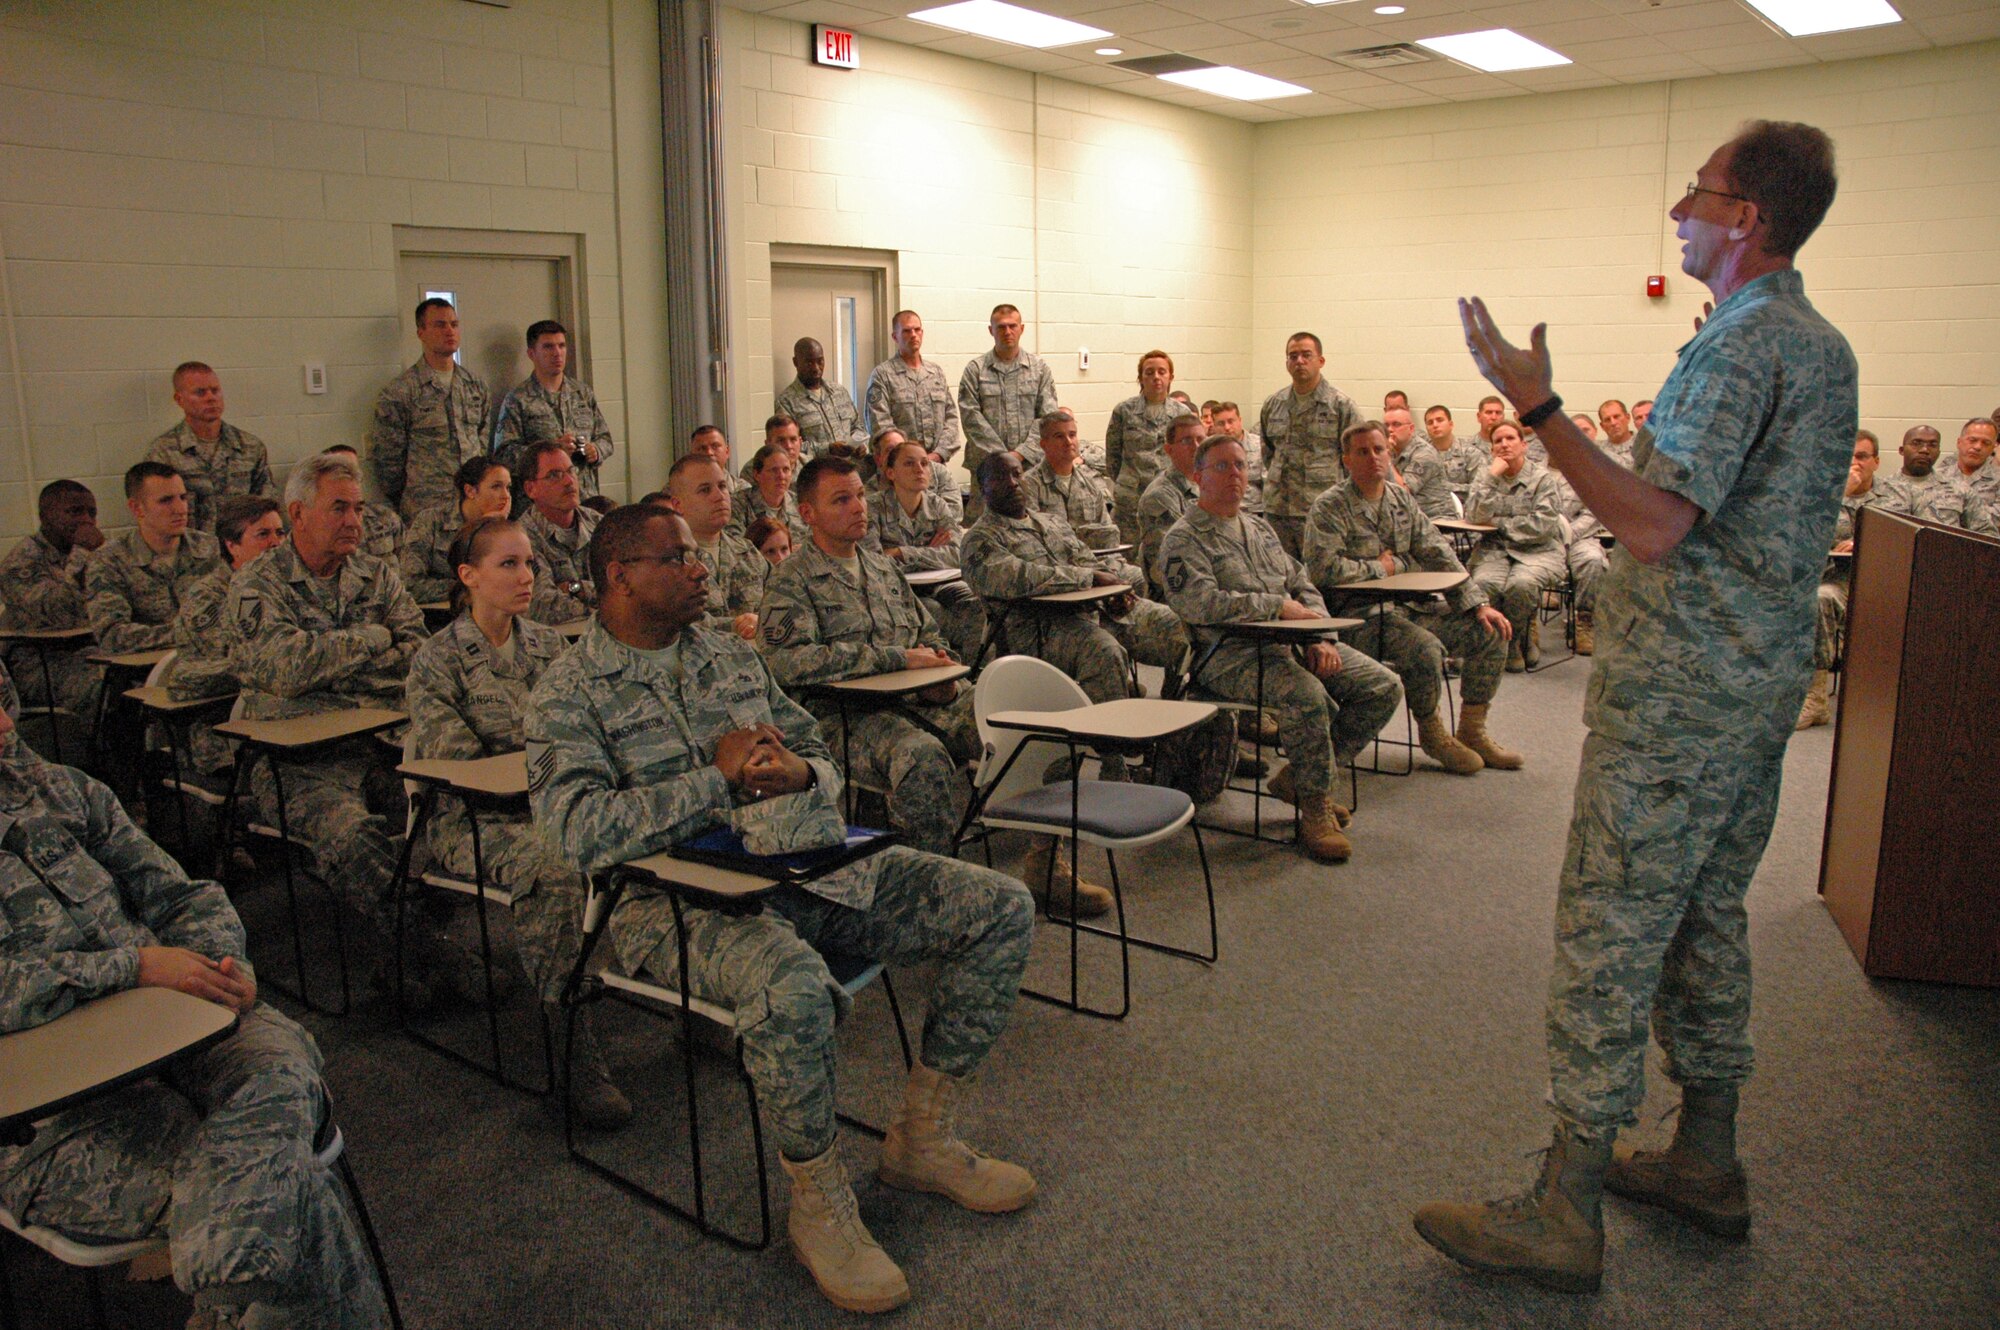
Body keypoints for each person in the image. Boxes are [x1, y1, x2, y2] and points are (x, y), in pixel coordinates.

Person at [1414, 120, 1859, 1295]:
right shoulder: (1815, 344)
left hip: (1679, 700)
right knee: (1706, 914)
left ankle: (1562, 1205)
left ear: (1744, 217)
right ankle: (1704, 1156)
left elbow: (1653, 524)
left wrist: (1541, 407)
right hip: (1748, 688)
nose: (1678, 207)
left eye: (1696, 190)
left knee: (1607, 928)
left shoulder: (1740, 346)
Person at [527, 504, 1037, 1314]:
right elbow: (571, 832)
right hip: (673, 904)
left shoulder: (730, 655)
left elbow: (819, 750)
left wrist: (801, 776)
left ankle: (921, 1138)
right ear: (620, 576)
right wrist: (715, 781)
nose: (702, 570)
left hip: (806, 865)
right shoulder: (567, 691)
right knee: (791, 985)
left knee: (998, 906)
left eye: (698, 557)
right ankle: (819, 1201)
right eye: (678, 558)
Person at [0, 704, 393, 1328]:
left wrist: (221, 966)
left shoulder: (60, 790)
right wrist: (134, 967)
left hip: (189, 1030)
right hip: (55, 1115)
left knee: (279, 1064)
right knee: (289, 1194)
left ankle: (228, 1291)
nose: (2, 721)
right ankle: (233, 1296)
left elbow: (182, 895)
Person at [402, 516, 631, 1128]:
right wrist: (552, 758)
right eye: (508, 564)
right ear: (468, 576)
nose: (526, 575)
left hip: (554, 802)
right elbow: (462, 763)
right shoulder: (436, 660)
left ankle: (693, 1000)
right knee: (555, 872)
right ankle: (572, 1042)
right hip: (472, 819)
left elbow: (594, 729)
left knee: (656, 834)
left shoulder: (551, 646)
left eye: (530, 562)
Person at [228, 452, 478, 1008]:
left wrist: (343, 659)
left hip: (381, 746)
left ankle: (412, 959)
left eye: (359, 508)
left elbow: (420, 651)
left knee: (446, 817)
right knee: (356, 840)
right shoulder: (256, 586)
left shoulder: (375, 573)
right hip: (297, 766)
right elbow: (282, 669)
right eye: (338, 508)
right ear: (298, 513)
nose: (354, 522)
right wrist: (371, 641)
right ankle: (436, 957)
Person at [1159, 435, 1402, 862]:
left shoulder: (1259, 527)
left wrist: (1321, 636)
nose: (1235, 475)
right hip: (1228, 654)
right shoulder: (1183, 538)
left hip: (1291, 644)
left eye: (1240, 465)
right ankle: (1314, 809)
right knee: (1306, 697)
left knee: (1382, 686)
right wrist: (1278, 608)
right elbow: (1200, 602)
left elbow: (1302, 583)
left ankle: (1303, 777)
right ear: (1198, 476)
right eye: (1221, 467)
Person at [1303, 423, 1518, 776]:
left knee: (1491, 632)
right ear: (1346, 461)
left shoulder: (1400, 498)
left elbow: (1435, 550)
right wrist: (1382, 567)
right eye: (1362, 452)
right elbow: (1324, 570)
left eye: (1378, 450)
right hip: (1357, 617)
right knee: (1424, 648)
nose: (1373, 458)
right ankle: (1432, 733)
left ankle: (1472, 730)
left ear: (1389, 455)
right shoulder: (1330, 506)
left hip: (1408, 607)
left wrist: (1477, 603)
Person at [963, 451, 1188, 705]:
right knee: (1104, 651)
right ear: (982, 488)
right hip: (1038, 630)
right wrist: (1090, 579)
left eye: (1017, 474)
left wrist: (1114, 592)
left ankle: (1182, 722)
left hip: (1095, 611)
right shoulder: (980, 539)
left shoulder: (1052, 523)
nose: (1013, 482)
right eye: (1000, 477)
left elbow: (1087, 560)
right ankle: (1109, 738)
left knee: (1179, 626)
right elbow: (1019, 578)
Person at [169, 494, 285, 782]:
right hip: (220, 722)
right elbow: (242, 657)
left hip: (277, 712)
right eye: (263, 534)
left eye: (280, 532)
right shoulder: (207, 595)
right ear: (232, 545)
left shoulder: (284, 588)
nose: (276, 543)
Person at [370, 297, 492, 522]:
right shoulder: (401, 392)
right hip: (427, 509)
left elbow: (482, 442)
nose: (449, 331)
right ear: (421, 332)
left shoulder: (475, 386)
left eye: (454, 325)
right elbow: (389, 462)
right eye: (440, 325)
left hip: (473, 503)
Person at [864, 439, 986, 662]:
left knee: (977, 605)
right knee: (932, 612)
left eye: (924, 463)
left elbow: (957, 553)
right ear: (890, 473)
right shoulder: (873, 507)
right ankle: (942, 669)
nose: (920, 469)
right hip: (896, 588)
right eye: (909, 464)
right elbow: (876, 561)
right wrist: (930, 553)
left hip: (941, 582)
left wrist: (902, 552)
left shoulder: (937, 504)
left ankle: (971, 670)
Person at [84, 462, 225, 653]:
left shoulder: (210, 549)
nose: (180, 509)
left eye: (183, 498)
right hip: (145, 670)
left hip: (211, 661)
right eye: (166, 500)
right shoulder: (110, 561)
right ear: (136, 508)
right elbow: (112, 636)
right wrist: (189, 633)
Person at [1462, 421, 1566, 670]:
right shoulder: (1487, 476)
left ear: (1524, 445)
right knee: (1486, 584)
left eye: (1510, 438)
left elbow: (1542, 525)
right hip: (1494, 550)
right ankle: (1503, 645)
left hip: (1538, 551)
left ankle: (1516, 639)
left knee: (1521, 585)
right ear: (1491, 449)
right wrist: (1491, 478)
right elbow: (1474, 516)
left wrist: (1498, 524)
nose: (1504, 444)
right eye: (1498, 441)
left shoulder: (1542, 480)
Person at [0, 480, 105, 723]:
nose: (86, 521)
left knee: (149, 678)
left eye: (92, 513)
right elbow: (59, 613)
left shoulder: (91, 553)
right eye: (75, 512)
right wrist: (84, 555)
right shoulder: (21, 563)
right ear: (45, 516)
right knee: (105, 688)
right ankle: (107, 759)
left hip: (94, 652)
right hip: (41, 665)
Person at [1798, 430, 1879, 729]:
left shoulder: (1898, 496)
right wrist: (1840, 493)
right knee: (1818, 597)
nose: (1855, 463)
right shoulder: (1823, 498)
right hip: (1837, 581)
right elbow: (1806, 539)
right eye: (1848, 456)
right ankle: (1816, 700)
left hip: (1886, 583)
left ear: (1877, 462)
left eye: (1862, 456)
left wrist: (1868, 541)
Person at [1258, 332, 1364, 558]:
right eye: (1292, 356)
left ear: (1321, 361)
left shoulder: (1340, 405)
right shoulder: (1273, 404)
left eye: (1306, 355)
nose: (1299, 361)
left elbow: (1356, 460)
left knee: (1321, 578)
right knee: (1279, 577)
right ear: (1286, 362)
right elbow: (1269, 453)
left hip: (1321, 509)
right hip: (1278, 510)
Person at [143, 361, 275, 534]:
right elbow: (156, 514)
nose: (211, 398)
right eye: (200, 392)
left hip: (242, 550)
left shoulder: (249, 447)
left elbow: (267, 506)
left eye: (215, 391)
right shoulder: (164, 452)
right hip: (190, 554)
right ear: (179, 399)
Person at [491, 319, 614, 498]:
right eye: (548, 347)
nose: (557, 353)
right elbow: (503, 455)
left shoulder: (582, 393)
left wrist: (595, 450)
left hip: (584, 497)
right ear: (532, 353)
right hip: (541, 502)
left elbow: (606, 440)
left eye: (562, 346)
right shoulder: (518, 399)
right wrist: (551, 450)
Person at [664, 454, 765, 640]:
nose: (719, 496)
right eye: (705, 490)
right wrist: (734, 625)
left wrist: (762, 620)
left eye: (722, 486)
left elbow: (784, 600)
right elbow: (669, 620)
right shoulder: (666, 560)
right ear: (678, 505)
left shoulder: (748, 552)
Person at [958, 303, 1059, 484]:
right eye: (1001, 327)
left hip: (1031, 466)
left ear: (1021, 329)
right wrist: (1004, 458)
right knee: (985, 513)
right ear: (991, 330)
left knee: (1030, 512)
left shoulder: (1039, 369)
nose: (1007, 331)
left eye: (1012, 326)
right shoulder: (976, 370)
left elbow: (1048, 418)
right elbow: (971, 419)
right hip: (988, 468)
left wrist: (1021, 453)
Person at [401, 455, 515, 604]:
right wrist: (470, 587)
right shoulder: (432, 521)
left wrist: (497, 528)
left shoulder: (507, 528)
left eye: (508, 488)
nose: (506, 496)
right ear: (470, 491)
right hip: (440, 615)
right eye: (496, 487)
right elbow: (410, 584)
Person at [1104, 350, 1191, 542]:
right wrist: (1127, 482)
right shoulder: (1124, 411)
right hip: (1130, 501)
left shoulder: (1182, 415)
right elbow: (1112, 457)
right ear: (1140, 378)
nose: (1156, 377)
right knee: (1129, 558)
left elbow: (1190, 457)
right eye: (1149, 372)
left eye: (1162, 372)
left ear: (1171, 377)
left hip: (1169, 500)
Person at [863, 310, 962, 473]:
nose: (913, 335)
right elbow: (880, 426)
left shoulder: (935, 373)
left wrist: (937, 455)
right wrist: (911, 458)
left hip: (937, 467)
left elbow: (951, 418)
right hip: (900, 470)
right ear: (895, 337)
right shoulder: (882, 375)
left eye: (917, 330)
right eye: (907, 331)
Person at [519, 439, 601, 623]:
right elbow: (543, 605)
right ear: (531, 489)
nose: (569, 481)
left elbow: (627, 586)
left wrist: (577, 588)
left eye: (571, 471)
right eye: (554, 475)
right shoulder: (521, 537)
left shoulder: (599, 523)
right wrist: (604, 611)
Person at [1871, 423, 1998, 533]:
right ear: (1902, 450)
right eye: (1916, 443)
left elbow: (1986, 533)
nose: (1924, 450)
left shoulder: (1959, 490)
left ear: (1939, 452)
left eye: (1932, 445)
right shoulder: (1880, 489)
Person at [1019, 409, 1119, 549]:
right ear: (1044, 445)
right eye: (1059, 436)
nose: (1068, 442)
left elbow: (1106, 534)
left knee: (1133, 572)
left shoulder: (1090, 485)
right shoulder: (1029, 485)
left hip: (1093, 561)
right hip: (1053, 564)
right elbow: (1030, 540)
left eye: (1072, 435)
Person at [1135, 414, 1204, 595]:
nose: (1196, 447)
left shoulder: (1209, 485)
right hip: (1177, 593)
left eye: (1200, 439)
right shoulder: (1159, 496)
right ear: (1169, 450)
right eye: (1187, 441)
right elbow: (1174, 559)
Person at [775, 337, 869, 459]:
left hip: (851, 469)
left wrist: (861, 445)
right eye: (809, 362)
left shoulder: (839, 392)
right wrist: (828, 449)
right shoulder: (786, 402)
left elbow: (857, 426)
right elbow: (789, 446)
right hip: (819, 472)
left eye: (820, 361)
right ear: (796, 362)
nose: (816, 368)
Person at [321, 444, 403, 560]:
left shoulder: (385, 517)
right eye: (343, 472)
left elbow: (408, 564)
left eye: (355, 472)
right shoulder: (321, 527)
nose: (351, 478)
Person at [733, 442, 811, 547]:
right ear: (757, 475)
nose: (781, 476)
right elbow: (736, 547)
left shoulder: (801, 504)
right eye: (774, 470)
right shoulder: (738, 504)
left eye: (786, 469)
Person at [1385, 405, 1456, 520]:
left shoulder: (1425, 454)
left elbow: (1402, 492)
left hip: (1437, 521)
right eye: (1386, 425)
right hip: (1405, 520)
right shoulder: (1390, 450)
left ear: (1411, 429)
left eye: (1396, 424)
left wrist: (1385, 458)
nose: (1390, 430)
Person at [1208, 400, 1268, 513]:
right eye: (1221, 423)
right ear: (1214, 426)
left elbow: (1269, 486)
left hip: (1254, 512)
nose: (1227, 427)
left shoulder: (1260, 446)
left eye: (1231, 421)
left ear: (1240, 421)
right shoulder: (1208, 449)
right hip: (1220, 512)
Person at [1939, 416, 1999, 509]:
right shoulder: (1938, 476)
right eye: (1972, 440)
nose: (1978, 447)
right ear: (1959, 442)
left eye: (1986, 443)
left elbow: (1995, 520)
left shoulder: (1997, 480)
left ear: (1992, 448)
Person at [1596, 399, 1637, 469]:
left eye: (1616, 417)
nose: (1613, 423)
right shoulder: (1598, 453)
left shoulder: (1643, 446)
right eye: (1607, 420)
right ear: (1602, 426)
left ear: (1627, 418)